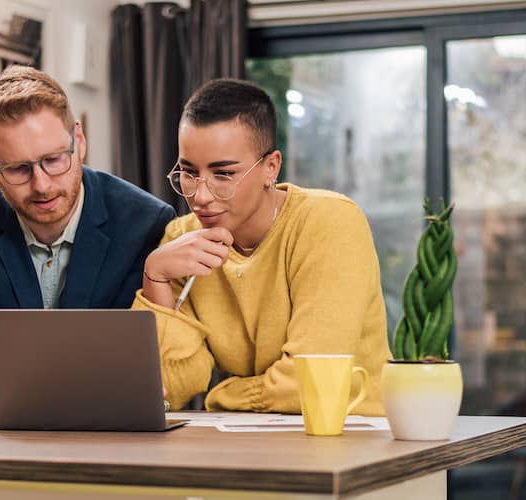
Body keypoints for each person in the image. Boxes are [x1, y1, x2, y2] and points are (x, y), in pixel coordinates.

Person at [0, 66, 175, 418]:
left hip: (118, 440)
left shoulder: (148, 224)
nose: (41, 185)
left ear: (79, 140)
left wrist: (7, 390)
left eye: (54, 159)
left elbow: (141, 364)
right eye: (18, 169)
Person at [133, 79, 390, 415]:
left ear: (271, 167)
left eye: (223, 173)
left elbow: (308, 383)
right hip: (250, 445)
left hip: (355, 441)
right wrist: (156, 276)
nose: (200, 195)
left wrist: (223, 397)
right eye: (188, 172)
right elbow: (167, 390)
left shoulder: (329, 222)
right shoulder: (182, 240)